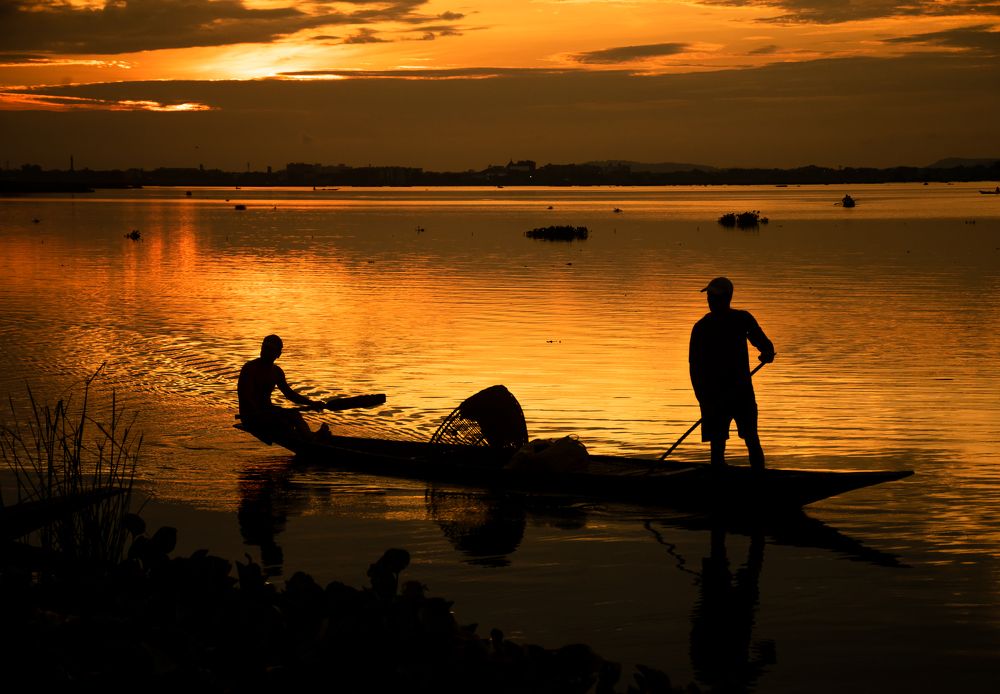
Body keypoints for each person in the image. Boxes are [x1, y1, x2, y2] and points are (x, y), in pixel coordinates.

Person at [689, 277, 775, 470]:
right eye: (709, 297)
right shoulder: (703, 326)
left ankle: (759, 477)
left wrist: (767, 353)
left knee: (751, 438)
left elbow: (765, 344)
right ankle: (720, 479)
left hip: (739, 392)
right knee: (718, 443)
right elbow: (694, 366)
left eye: (712, 296)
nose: (709, 300)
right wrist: (703, 397)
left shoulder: (741, 319)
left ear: (725, 298)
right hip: (714, 396)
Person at [238, 334, 326, 441]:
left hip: (268, 412)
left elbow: (289, 394)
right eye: (264, 348)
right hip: (251, 415)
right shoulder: (250, 368)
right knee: (284, 421)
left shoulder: (277, 372)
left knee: (294, 414)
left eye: (270, 349)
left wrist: (312, 403)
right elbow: (246, 398)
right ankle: (310, 439)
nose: (265, 352)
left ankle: (309, 437)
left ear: (278, 354)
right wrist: (261, 413)